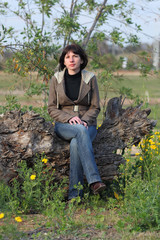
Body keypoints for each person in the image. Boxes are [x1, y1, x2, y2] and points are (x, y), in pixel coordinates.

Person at [48, 43, 106, 201]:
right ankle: (94, 180)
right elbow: (52, 108)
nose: (71, 59)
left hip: (88, 124)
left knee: (76, 144)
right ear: (64, 61)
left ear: (82, 60)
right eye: (68, 57)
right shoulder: (56, 79)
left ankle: (75, 197)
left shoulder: (90, 78)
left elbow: (95, 107)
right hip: (64, 124)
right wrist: (68, 118)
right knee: (79, 131)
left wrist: (85, 120)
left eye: (75, 56)